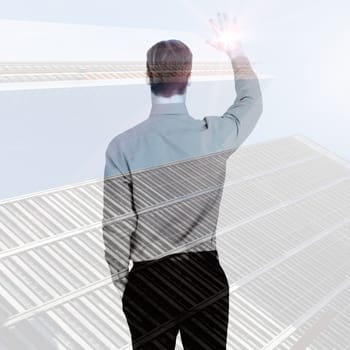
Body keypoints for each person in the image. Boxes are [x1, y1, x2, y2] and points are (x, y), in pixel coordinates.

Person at [102, 12, 263, 349]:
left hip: (149, 279)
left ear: (148, 75)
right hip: (204, 277)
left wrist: (125, 279)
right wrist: (235, 51)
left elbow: (117, 224)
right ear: (189, 75)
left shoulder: (124, 145)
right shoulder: (214, 135)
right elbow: (251, 102)